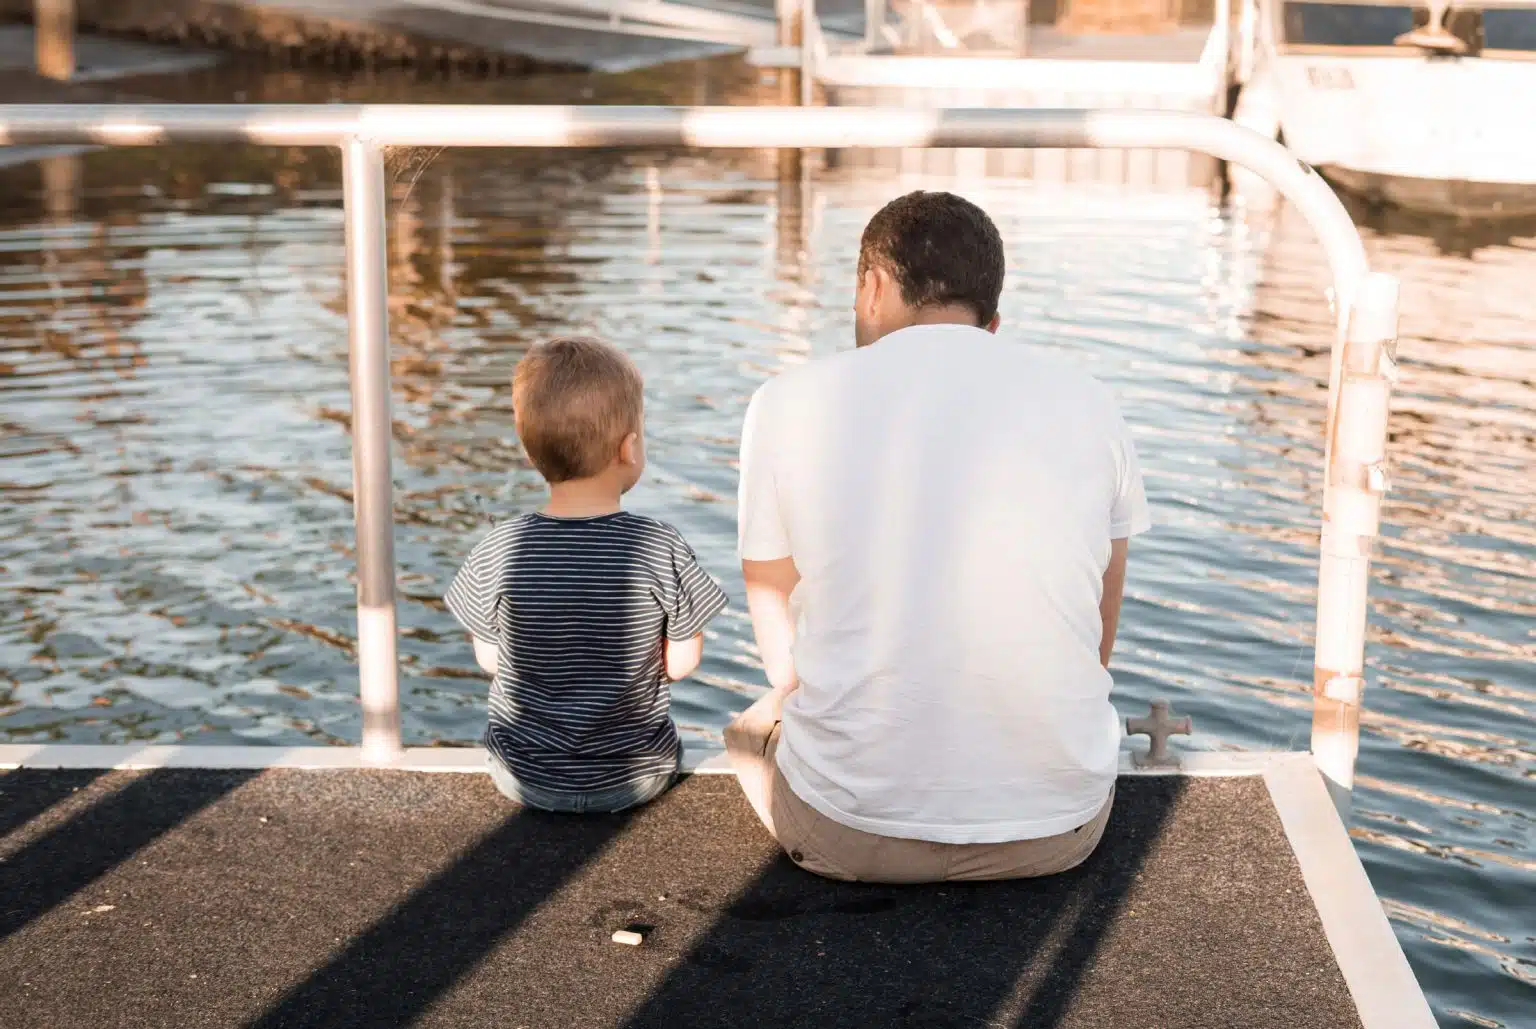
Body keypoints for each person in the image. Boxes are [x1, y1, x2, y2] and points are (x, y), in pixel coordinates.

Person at [725, 191, 1151, 882]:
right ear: (993, 321)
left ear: (871, 288)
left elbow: (779, 637)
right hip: (1061, 829)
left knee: (760, 718)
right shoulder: (1091, 399)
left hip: (848, 832)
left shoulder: (785, 401)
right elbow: (1098, 631)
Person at [445, 336, 729, 815]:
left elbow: (491, 660)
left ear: (530, 450)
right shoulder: (661, 545)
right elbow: (681, 664)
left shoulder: (500, 547)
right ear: (629, 447)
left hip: (524, 775)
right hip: (635, 778)